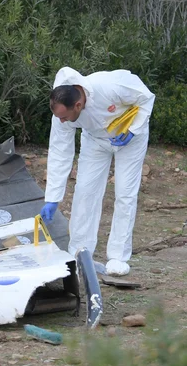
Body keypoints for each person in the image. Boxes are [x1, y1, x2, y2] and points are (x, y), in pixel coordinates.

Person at [40, 67, 155, 276]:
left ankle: (118, 257)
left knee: (124, 194)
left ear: (78, 104)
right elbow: (60, 151)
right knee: (85, 192)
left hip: (130, 139)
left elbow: (146, 98)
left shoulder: (109, 86)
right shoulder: (61, 114)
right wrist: (53, 197)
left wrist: (134, 129)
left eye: (65, 117)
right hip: (95, 140)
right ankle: (79, 253)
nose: (62, 121)